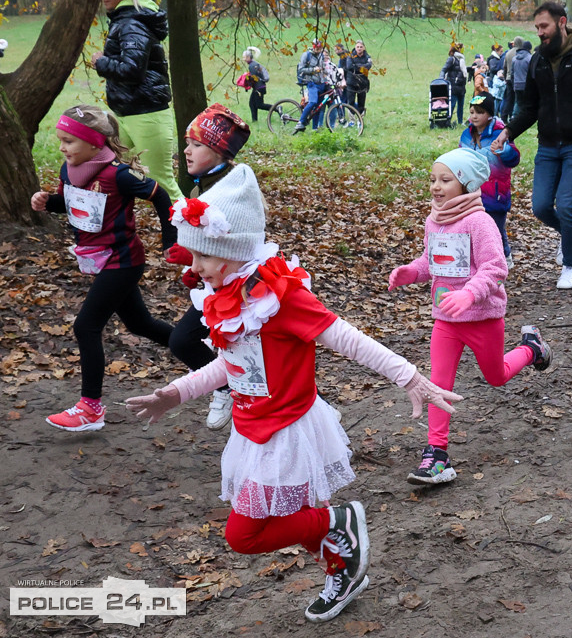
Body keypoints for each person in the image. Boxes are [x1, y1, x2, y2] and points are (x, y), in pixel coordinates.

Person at [125, 164, 462, 622]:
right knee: (290, 514)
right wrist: (176, 394)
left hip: (285, 429)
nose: (194, 266)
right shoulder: (223, 293)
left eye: (202, 255)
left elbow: (347, 338)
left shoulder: (278, 296)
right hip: (250, 429)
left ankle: (337, 523)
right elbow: (232, 364)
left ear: (230, 249)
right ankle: (341, 567)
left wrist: (410, 377)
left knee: (243, 535)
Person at [387, 149, 552, 485]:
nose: (435, 186)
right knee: (437, 385)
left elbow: (496, 267)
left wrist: (469, 293)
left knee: (497, 376)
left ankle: (532, 349)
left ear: (465, 184)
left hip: (482, 319)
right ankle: (437, 455)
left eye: (445, 180)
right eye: (432, 179)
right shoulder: (434, 220)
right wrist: (412, 272)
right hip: (445, 320)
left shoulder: (480, 222)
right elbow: (432, 262)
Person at [30, 105, 178, 432]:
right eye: (61, 140)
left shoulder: (118, 174)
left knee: (86, 326)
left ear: (96, 143)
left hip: (123, 261)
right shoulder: (70, 170)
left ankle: (90, 409)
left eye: (69, 141)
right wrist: (48, 202)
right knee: (140, 323)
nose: (62, 147)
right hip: (100, 260)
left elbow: (160, 194)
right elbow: (72, 203)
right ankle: (200, 344)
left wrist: (170, 237)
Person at [491, 1, 572, 290]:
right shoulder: (538, 61)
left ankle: (570, 266)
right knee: (539, 207)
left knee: (565, 204)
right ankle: (571, 231)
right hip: (548, 146)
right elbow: (529, 107)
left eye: (544, 26)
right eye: (536, 28)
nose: (540, 33)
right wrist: (507, 132)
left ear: (562, 22)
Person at [166, 103, 253, 431]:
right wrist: (193, 258)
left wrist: (195, 258)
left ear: (219, 151)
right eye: (187, 143)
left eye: (196, 145)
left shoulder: (233, 190)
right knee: (183, 341)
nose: (186, 151)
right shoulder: (201, 184)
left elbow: (240, 244)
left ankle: (312, 405)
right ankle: (226, 388)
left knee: (265, 348)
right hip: (219, 283)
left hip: (248, 286)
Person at [91, 0, 183, 201]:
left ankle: (198, 233)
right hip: (125, 113)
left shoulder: (132, 22)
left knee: (163, 184)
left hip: (147, 115)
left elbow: (132, 70)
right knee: (111, 175)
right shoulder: (126, 19)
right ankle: (114, 232)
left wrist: (101, 63)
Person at [459, 93, 521, 266]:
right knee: (476, 229)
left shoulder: (500, 135)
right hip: (472, 193)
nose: (474, 116)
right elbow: (460, 157)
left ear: (489, 114)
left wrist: (504, 150)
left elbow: (514, 159)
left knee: (495, 230)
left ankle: (502, 259)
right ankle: (481, 261)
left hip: (495, 194)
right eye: (472, 112)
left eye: (479, 112)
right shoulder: (466, 135)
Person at [294, 39, 328, 133]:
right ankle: (300, 122)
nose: (318, 49)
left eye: (320, 48)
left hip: (320, 83)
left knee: (318, 107)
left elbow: (323, 69)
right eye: (317, 48)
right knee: (313, 102)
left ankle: (315, 128)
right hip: (311, 82)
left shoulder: (321, 56)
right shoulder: (306, 55)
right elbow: (301, 69)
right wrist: (313, 70)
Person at [242, 46, 271, 125]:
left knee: (259, 105)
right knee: (252, 103)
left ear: (248, 57)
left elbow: (254, 78)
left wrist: (246, 81)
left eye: (244, 57)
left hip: (258, 88)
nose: (243, 59)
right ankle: (254, 121)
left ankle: (276, 108)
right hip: (260, 87)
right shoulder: (255, 64)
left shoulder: (252, 66)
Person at [442, 43, 468, 126]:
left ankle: (460, 122)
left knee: (461, 105)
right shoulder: (451, 59)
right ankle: (447, 121)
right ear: (458, 49)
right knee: (452, 105)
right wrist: (441, 79)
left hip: (461, 86)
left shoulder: (461, 60)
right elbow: (444, 69)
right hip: (453, 87)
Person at [343, 40, 371, 116]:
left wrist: (356, 66)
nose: (359, 48)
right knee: (350, 102)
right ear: (355, 47)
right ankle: (352, 119)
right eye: (357, 47)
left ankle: (360, 119)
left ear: (364, 48)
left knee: (361, 103)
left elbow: (368, 67)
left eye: (361, 47)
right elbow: (349, 67)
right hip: (351, 82)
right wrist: (362, 67)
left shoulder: (367, 57)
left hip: (363, 83)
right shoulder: (350, 56)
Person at [509, 40, 533, 120]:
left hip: (516, 84)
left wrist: (513, 83)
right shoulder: (529, 58)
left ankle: (514, 116)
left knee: (517, 102)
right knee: (526, 102)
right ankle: (524, 118)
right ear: (529, 49)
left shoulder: (514, 58)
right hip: (526, 84)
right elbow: (531, 73)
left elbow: (512, 73)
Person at [501, 37, 523, 120]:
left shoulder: (508, 53)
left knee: (509, 98)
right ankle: (514, 116)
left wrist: (506, 77)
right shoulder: (519, 53)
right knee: (516, 99)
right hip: (517, 78)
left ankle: (504, 116)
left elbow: (505, 66)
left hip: (508, 78)